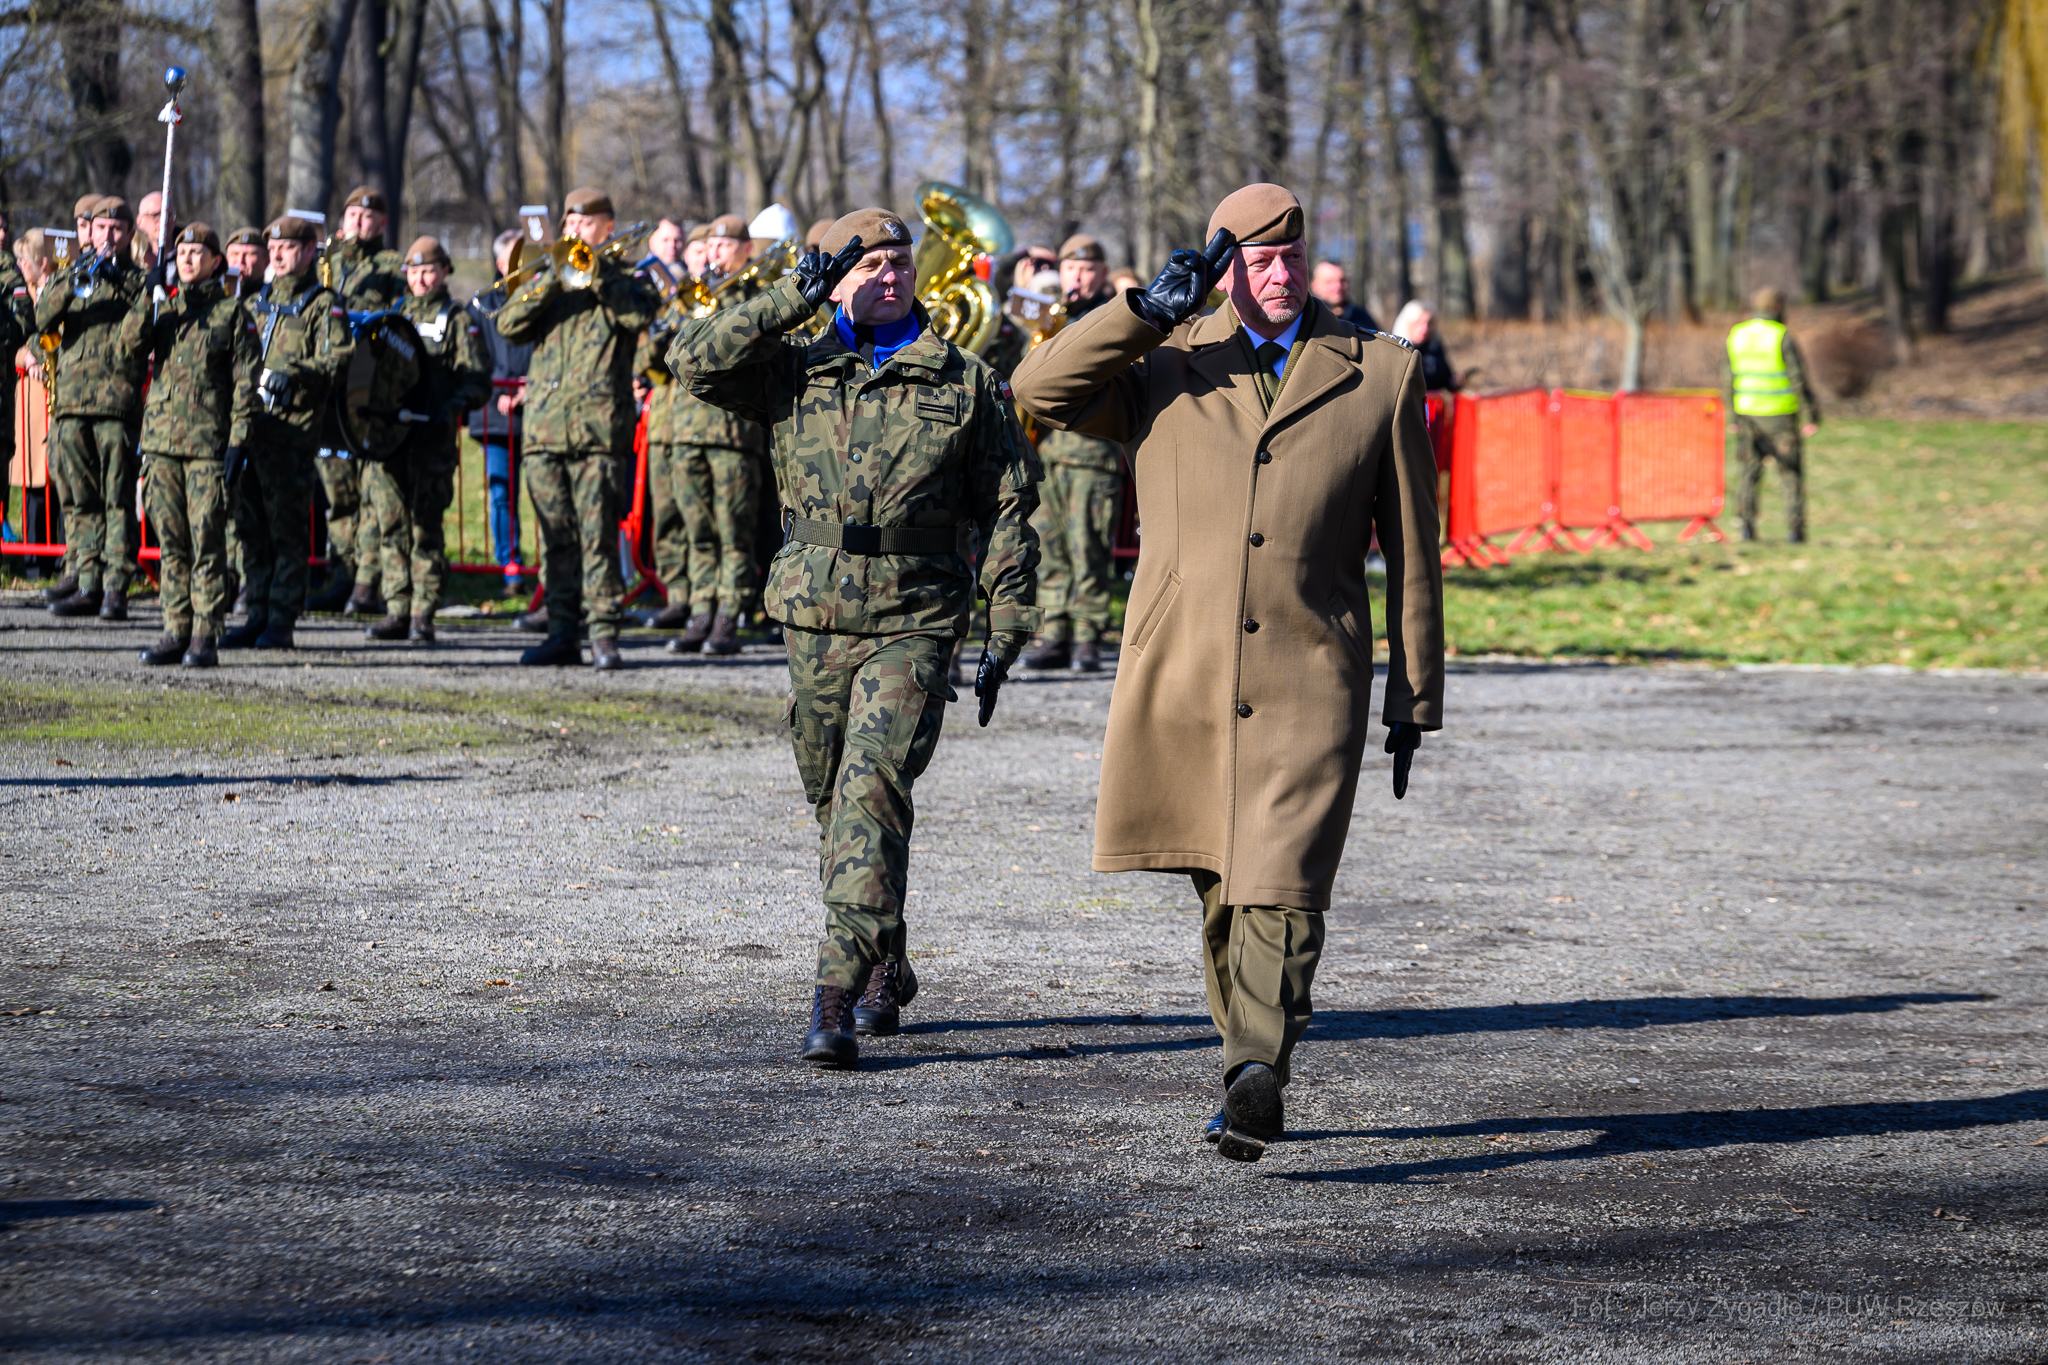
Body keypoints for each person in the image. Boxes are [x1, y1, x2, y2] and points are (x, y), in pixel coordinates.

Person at [1012, 183, 1444, 1163]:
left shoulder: (1376, 371)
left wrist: (1412, 695)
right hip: (1185, 661)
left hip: (1309, 668)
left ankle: (1256, 1062)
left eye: (1291, 257)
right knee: (1217, 872)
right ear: (1225, 267)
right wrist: (1136, 313)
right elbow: (1038, 392)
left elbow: (1415, 549)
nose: (1280, 273)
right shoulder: (1165, 359)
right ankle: (1245, 1061)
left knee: (1279, 873)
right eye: (1256, 259)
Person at [668, 208, 1041, 1067]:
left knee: (872, 784)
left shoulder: (964, 380)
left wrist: (1009, 622)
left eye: (900, 260)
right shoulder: (795, 368)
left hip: (915, 616)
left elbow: (1010, 505)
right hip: (815, 611)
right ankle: (886, 957)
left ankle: (833, 993)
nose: (890, 273)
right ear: (835, 276)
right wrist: (783, 298)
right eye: (868, 262)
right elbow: (693, 361)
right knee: (837, 799)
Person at [495, 186, 659, 670]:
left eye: (587, 224)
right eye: (571, 223)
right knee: (556, 539)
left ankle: (605, 634)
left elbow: (639, 314)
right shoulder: (544, 275)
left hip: (598, 432)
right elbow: (508, 323)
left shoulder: (630, 278)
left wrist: (598, 271)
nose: (576, 230)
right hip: (545, 429)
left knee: (598, 537)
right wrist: (552, 276)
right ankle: (562, 633)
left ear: (609, 227)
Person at [121, 223, 257, 668]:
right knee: (171, 544)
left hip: (207, 447)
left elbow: (245, 385)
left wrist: (238, 442)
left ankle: (205, 633)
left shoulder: (232, 313)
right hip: (161, 444)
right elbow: (127, 349)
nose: (189, 260)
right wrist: (148, 295)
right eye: (183, 253)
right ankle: (175, 629)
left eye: (198, 253)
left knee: (207, 542)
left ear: (217, 262)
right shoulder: (165, 309)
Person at [223, 214, 352, 651]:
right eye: (273, 247)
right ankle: (256, 612)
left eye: (289, 247)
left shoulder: (322, 303)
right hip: (252, 432)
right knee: (251, 532)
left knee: (287, 533)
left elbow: (337, 360)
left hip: (291, 436)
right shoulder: (256, 300)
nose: (277, 253)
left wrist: (293, 373)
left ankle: (281, 620)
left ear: (310, 251)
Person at [355, 236, 491, 644]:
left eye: (428, 270)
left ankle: (422, 613)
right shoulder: (392, 315)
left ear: (445, 271)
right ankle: (396, 608)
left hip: (431, 440)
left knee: (425, 528)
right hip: (389, 441)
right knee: (391, 526)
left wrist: (448, 409)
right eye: (413, 272)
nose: (420, 279)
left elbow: (478, 380)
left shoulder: (457, 319)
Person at [36, 196, 147, 621]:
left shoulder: (140, 282)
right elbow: (42, 319)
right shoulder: (73, 275)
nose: (109, 237)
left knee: (116, 498)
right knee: (80, 499)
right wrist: (71, 279)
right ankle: (87, 580)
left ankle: (116, 586)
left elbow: (147, 326)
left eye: (117, 230)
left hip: (116, 405)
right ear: (91, 231)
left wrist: (121, 280)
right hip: (71, 403)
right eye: (102, 229)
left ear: (129, 234)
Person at [1021, 234, 1126, 674]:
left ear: (1101, 274)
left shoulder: (1110, 315)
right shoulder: (1045, 312)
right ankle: (1055, 634)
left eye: (1086, 270)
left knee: (1090, 548)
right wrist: (1025, 298)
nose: (1078, 277)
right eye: (1070, 269)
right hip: (1045, 451)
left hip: (1091, 451)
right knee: (1051, 548)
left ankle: (1087, 637)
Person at [307, 186, 405, 618]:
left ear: (381, 223)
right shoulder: (327, 261)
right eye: (351, 217)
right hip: (330, 383)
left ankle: (370, 580)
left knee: (369, 489)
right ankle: (343, 572)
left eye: (367, 218)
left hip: (368, 380)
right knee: (337, 487)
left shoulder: (392, 266)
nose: (358, 225)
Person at [635, 216, 695, 628]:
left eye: (678, 239)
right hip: (663, 414)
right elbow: (644, 353)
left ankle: (703, 599)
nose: (673, 245)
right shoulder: (646, 281)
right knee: (667, 514)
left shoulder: (695, 285)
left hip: (693, 419)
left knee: (697, 518)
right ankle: (676, 594)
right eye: (666, 239)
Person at [1724, 286, 1819, 544]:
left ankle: (1746, 528)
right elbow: (1797, 378)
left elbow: (1729, 379)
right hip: (1780, 417)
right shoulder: (1780, 336)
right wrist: (1811, 415)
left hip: (1747, 416)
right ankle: (1795, 531)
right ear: (1777, 308)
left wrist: (1732, 417)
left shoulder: (1737, 335)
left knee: (1748, 473)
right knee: (1790, 473)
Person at [469, 228, 535, 600]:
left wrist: (529, 387)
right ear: (500, 263)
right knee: (501, 493)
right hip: (495, 414)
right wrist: (498, 390)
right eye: (515, 256)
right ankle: (510, 569)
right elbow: (473, 356)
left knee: (545, 493)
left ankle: (551, 570)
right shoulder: (480, 304)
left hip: (538, 409)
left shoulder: (544, 299)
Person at [10, 229, 59, 567]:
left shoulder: (64, 289)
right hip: (30, 397)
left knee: (61, 479)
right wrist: (25, 357)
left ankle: (62, 553)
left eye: (23, 260)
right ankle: (33, 554)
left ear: (41, 262)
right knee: (33, 481)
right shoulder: (18, 295)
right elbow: (12, 338)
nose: (18, 265)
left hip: (60, 393)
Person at [1390, 300, 1456, 390]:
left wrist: (1454, 382)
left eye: (1429, 323)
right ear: (1407, 323)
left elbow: (1445, 380)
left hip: (1432, 402)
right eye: (1419, 323)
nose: (1425, 328)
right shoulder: (1393, 348)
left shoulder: (1435, 348)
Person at [1310, 260, 1379, 333]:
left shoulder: (1362, 318)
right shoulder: (1305, 318)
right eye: (1330, 282)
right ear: (1314, 286)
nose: (1338, 286)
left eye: (1342, 280)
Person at [223, 226, 265, 294]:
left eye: (249, 254)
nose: (240, 260)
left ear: (266, 261)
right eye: (235, 254)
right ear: (227, 260)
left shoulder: (272, 299)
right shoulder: (213, 296)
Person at [132, 191, 166, 272]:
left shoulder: (185, 250)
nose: (163, 220)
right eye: (155, 215)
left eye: (168, 215)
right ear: (139, 221)